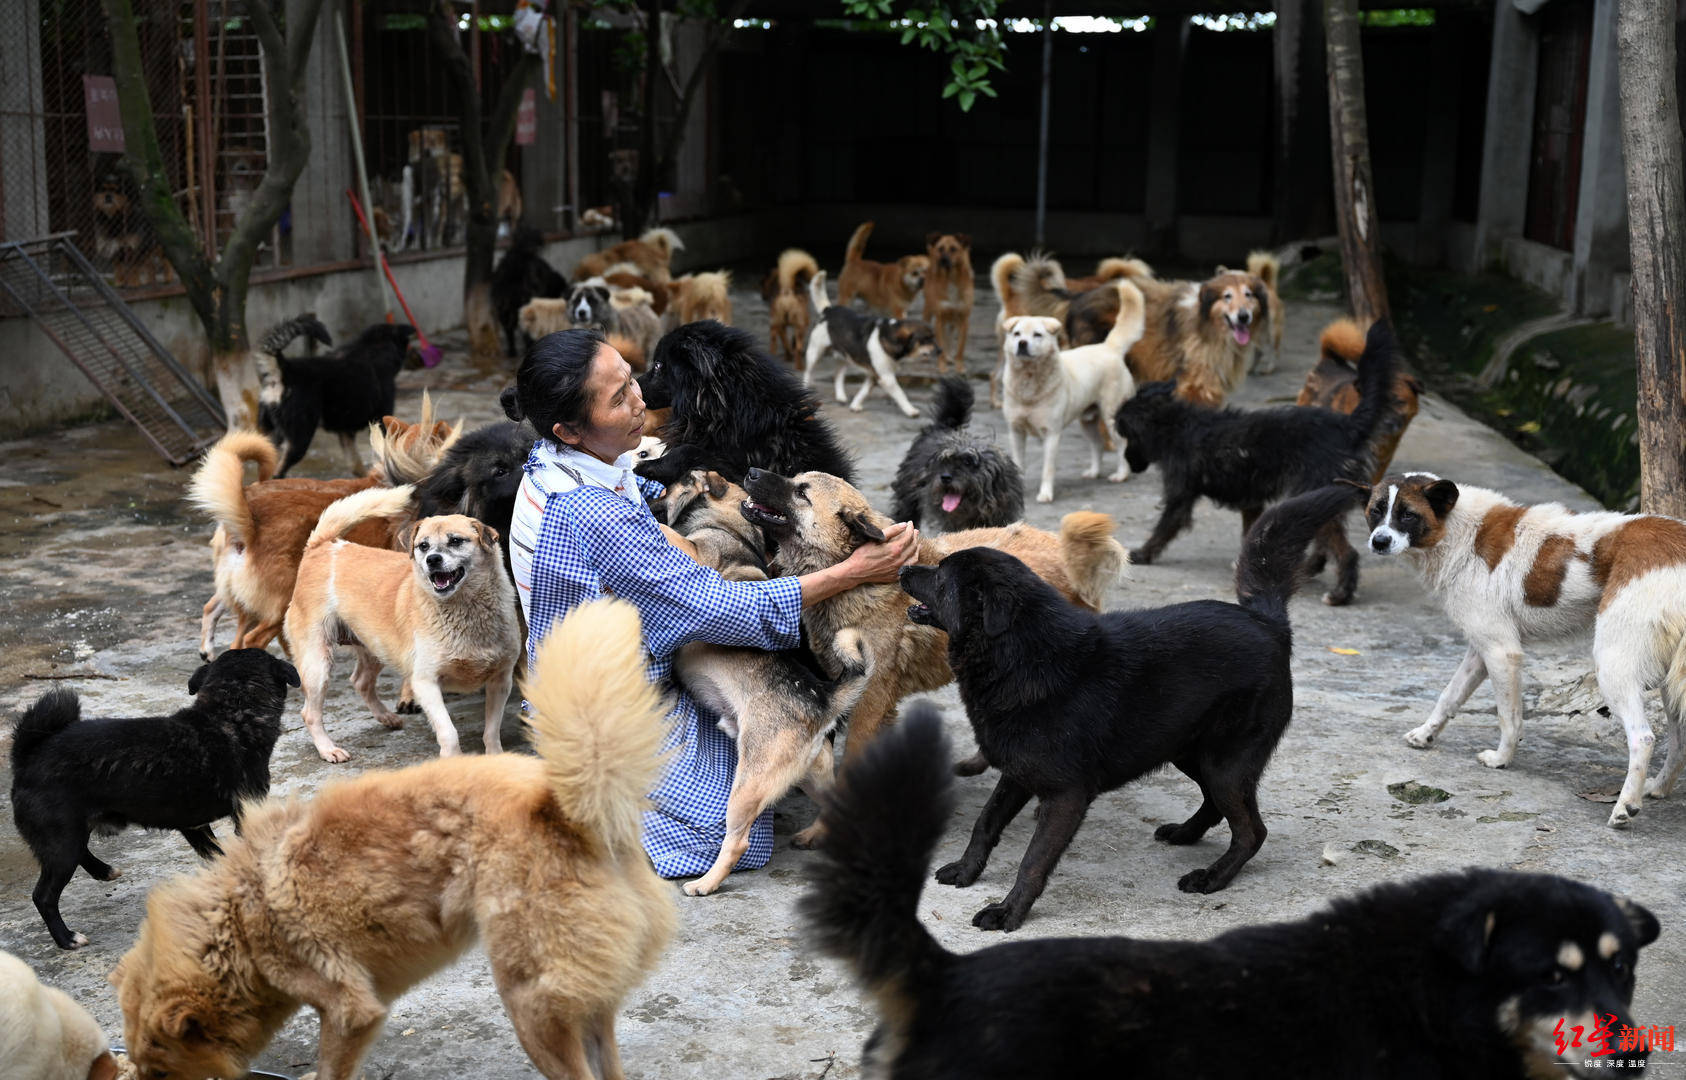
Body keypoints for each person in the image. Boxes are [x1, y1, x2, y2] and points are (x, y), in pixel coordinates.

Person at [502, 328, 919, 877]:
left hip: (609, 653)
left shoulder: (564, 462)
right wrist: (849, 572)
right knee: (721, 829)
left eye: (632, 381)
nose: (640, 402)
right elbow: (719, 609)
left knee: (770, 757)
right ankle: (583, 804)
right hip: (603, 697)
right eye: (618, 398)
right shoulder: (587, 509)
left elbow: (653, 503)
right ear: (570, 429)